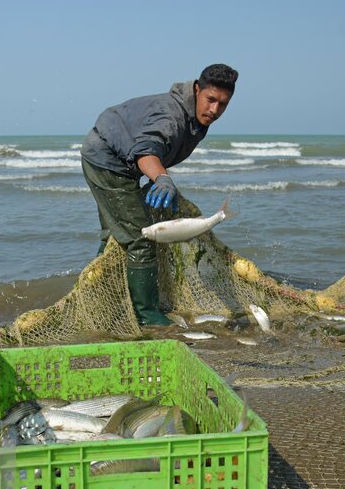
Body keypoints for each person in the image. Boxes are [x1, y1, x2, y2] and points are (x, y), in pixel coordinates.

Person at [80, 64, 238, 325]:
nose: (214, 110)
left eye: (223, 104)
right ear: (197, 89)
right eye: (210, 100)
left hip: (120, 159)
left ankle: (105, 298)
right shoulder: (172, 117)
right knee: (140, 239)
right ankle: (148, 316)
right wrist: (161, 178)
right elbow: (146, 151)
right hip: (106, 160)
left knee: (117, 233)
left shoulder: (195, 116)